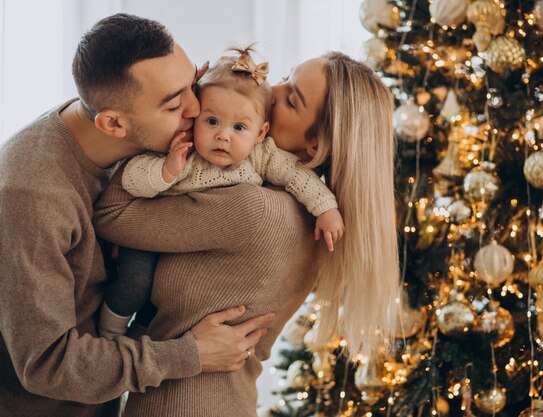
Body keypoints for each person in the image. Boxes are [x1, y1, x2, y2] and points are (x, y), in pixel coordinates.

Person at [92, 50, 400, 416]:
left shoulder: (251, 208)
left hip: (183, 406)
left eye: (290, 98)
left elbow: (111, 214)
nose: (271, 90)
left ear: (316, 143)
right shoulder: (311, 216)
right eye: (285, 77)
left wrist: (165, 126)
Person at [0, 14, 278, 417]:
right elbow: (46, 365)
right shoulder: (32, 195)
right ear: (113, 123)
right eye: (174, 102)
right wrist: (189, 354)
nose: (197, 108)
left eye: (192, 83)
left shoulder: (134, 143)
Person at [98, 47, 345, 340]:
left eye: (239, 127)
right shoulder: (186, 148)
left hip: (173, 244)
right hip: (153, 230)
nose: (223, 136)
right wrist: (166, 170)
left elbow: (298, 176)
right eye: (212, 121)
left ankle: (132, 340)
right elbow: (134, 177)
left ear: (261, 131)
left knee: (151, 305)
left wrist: (326, 208)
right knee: (134, 282)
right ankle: (110, 332)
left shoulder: (260, 159)